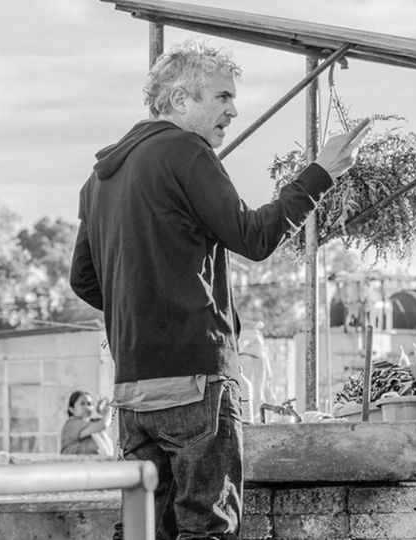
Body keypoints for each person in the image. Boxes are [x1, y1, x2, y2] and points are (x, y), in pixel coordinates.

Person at [70, 39, 370, 540]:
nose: (233, 110)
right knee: (207, 528)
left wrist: (143, 310)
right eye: (222, 97)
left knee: (146, 528)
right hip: (194, 382)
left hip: (132, 393)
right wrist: (321, 174)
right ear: (180, 100)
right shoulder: (185, 151)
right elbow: (252, 236)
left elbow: (84, 279)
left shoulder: (99, 177)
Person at [60, 390, 115, 456]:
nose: (86, 407)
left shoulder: (93, 423)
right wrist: (107, 410)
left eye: (89, 404)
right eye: (82, 404)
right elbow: (103, 425)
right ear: (71, 409)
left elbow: (112, 423)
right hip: (75, 464)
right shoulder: (71, 425)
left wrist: (103, 410)